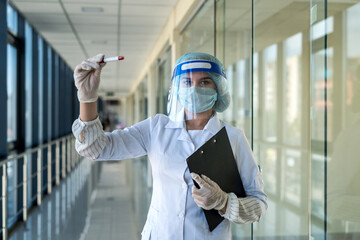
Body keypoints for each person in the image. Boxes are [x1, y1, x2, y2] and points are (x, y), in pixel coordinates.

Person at [72, 52, 267, 239]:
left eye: (205, 82)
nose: (194, 88)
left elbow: (258, 205)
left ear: (218, 89)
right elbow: (96, 148)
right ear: (177, 89)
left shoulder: (233, 138)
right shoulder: (157, 128)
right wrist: (87, 99)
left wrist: (223, 202)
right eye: (188, 82)